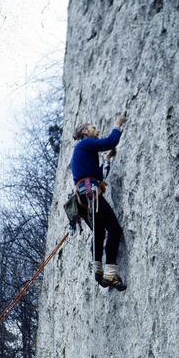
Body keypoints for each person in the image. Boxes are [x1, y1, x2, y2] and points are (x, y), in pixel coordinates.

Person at [71, 115, 127, 291]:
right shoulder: (85, 144)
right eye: (93, 127)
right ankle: (110, 274)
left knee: (100, 231)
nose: (97, 130)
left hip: (85, 196)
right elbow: (110, 141)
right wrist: (117, 125)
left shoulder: (83, 152)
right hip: (91, 194)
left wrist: (107, 159)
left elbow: (98, 176)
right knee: (115, 230)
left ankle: (98, 272)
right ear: (85, 132)